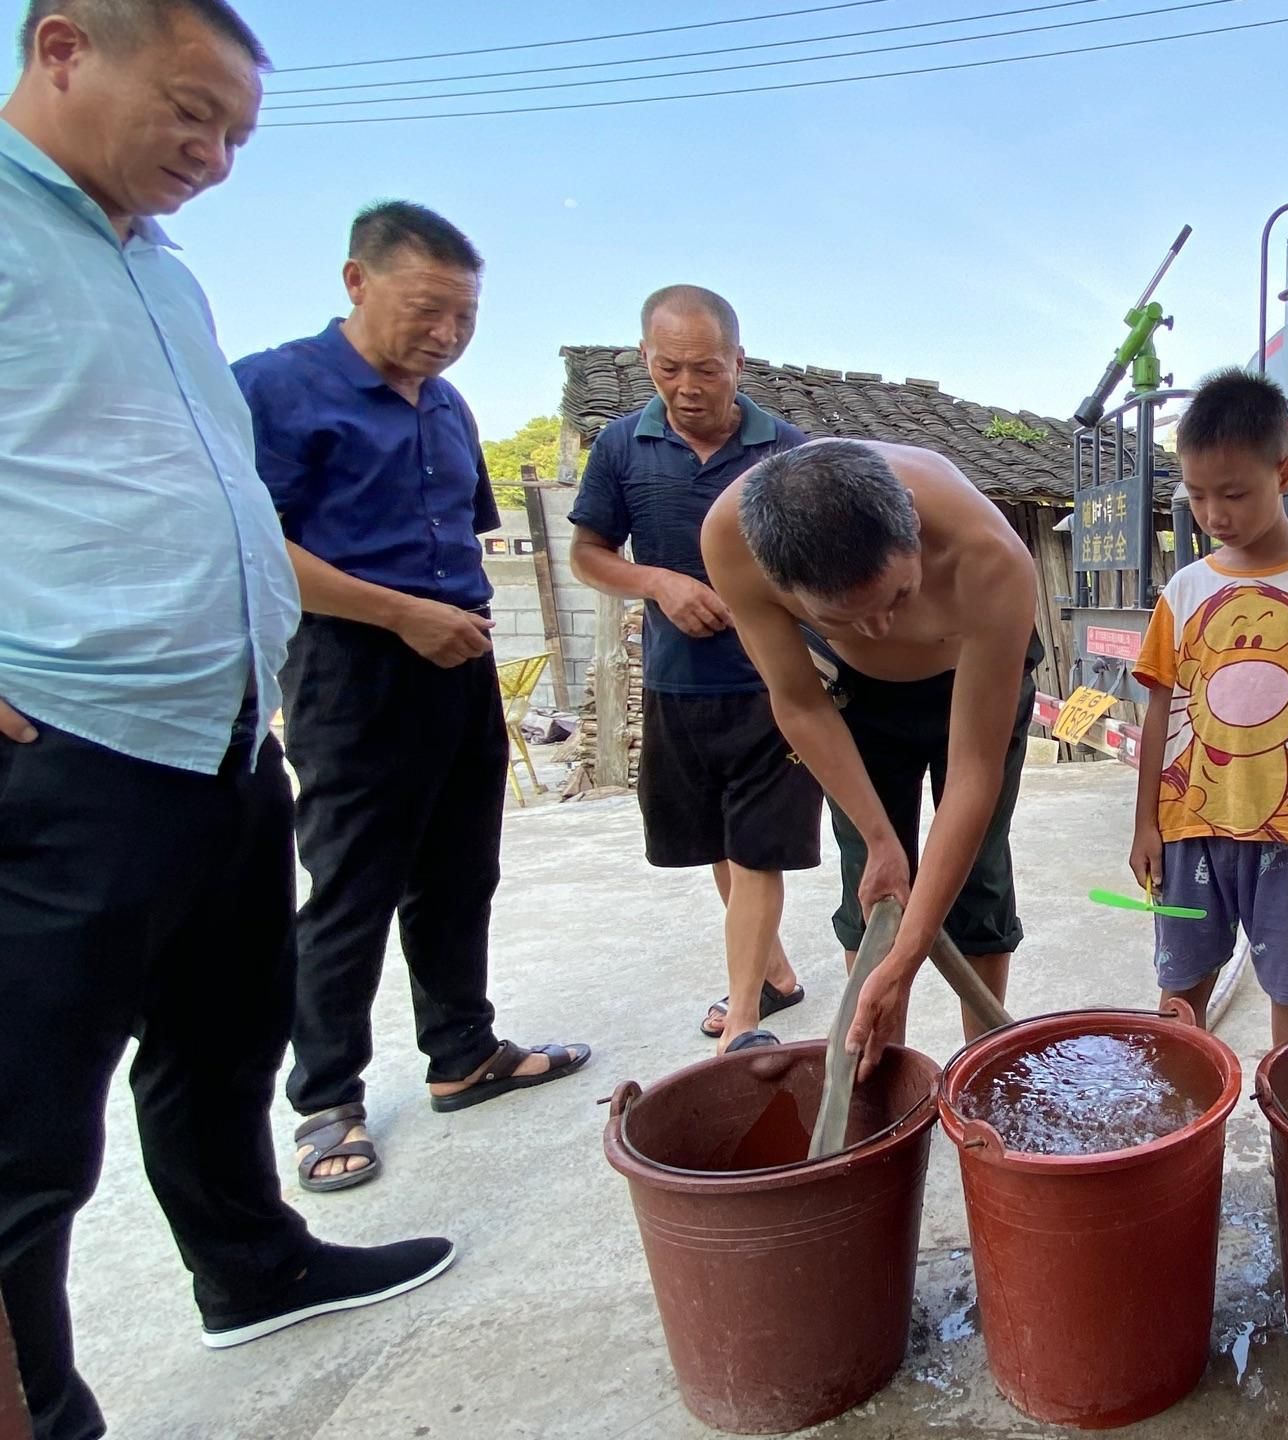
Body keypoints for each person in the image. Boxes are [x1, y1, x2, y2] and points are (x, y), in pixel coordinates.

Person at [0, 4, 455, 1434]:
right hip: (68, 738)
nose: (213, 156)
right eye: (192, 114)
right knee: (28, 1123)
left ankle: (250, 1266)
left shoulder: (161, 273)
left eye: (237, 135)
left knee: (218, 1036)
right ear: (66, 46)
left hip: (217, 728)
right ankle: (37, 1406)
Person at [233, 201, 590, 1193]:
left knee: (461, 870)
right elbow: (253, 548)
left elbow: (462, 537)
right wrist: (397, 616)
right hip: (352, 668)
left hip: (456, 658)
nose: (444, 335)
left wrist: (444, 625)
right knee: (352, 883)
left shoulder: (448, 406)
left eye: (463, 319)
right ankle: (325, 1099)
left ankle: (462, 1053)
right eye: (426, 310)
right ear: (357, 282)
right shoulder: (273, 388)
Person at [700, 439, 1040, 1077]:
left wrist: (910, 955)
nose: (879, 629)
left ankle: (984, 1072)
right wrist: (880, 839)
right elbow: (799, 701)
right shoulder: (731, 540)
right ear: (779, 582)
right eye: (841, 620)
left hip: (971, 681)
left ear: (909, 520)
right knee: (873, 880)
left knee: (977, 874)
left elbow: (973, 775)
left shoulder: (989, 557)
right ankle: (881, 1080)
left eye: (899, 596)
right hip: (851, 699)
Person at [568, 285, 820, 1049]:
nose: (688, 386)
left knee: (756, 850)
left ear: (739, 362)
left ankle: (742, 1019)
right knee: (715, 842)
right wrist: (658, 582)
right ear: (646, 358)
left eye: (706, 368)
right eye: (670, 367)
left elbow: (821, 565)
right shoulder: (619, 447)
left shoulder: (788, 450)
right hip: (677, 682)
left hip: (772, 687)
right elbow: (587, 554)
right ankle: (772, 975)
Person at [1127, 370, 1288, 1044]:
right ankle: (1176, 1122)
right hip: (1190, 827)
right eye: (1199, 495)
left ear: (1286, 472)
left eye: (1234, 493)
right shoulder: (1182, 592)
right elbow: (1159, 714)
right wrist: (1145, 823)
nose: (1215, 514)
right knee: (1180, 991)